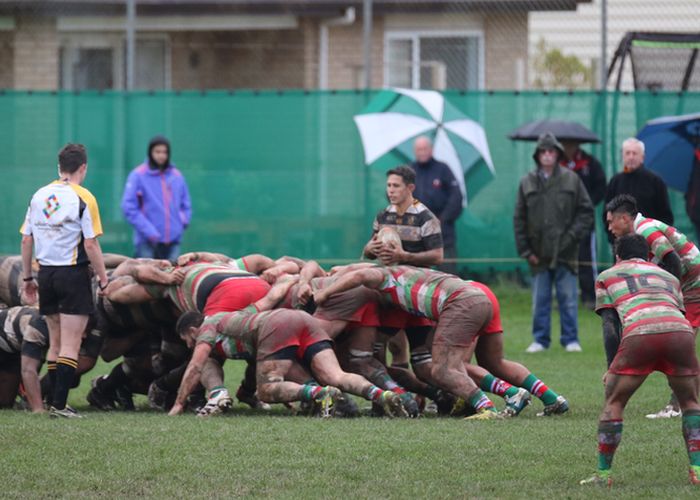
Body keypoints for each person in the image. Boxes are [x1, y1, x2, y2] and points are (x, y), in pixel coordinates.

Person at [580, 233, 700, 487]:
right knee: (690, 402)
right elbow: (674, 312)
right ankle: (697, 471)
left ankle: (603, 476)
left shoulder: (607, 276)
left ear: (617, 255)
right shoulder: (668, 276)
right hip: (680, 332)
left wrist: (611, 366)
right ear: (648, 255)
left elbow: (611, 326)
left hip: (640, 334)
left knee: (614, 402)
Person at [20, 143, 109, 418]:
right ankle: (59, 406)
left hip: (45, 274)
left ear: (59, 167)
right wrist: (105, 279)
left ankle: (53, 402)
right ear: (83, 167)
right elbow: (91, 245)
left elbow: (26, 239)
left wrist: (27, 278)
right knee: (71, 344)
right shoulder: (84, 197)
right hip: (72, 274)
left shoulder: (39, 195)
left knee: (55, 343)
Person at [605, 193, 700, 418]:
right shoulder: (632, 241)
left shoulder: (645, 229)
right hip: (687, 285)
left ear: (625, 219)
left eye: (611, 221)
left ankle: (679, 405)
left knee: (681, 344)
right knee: (680, 344)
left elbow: (673, 260)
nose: (609, 227)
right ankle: (681, 403)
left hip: (694, 284)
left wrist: (672, 300)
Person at [513, 133, 594, 353]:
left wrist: (572, 237)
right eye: (543, 151)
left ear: (557, 154)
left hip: (566, 251)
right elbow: (519, 217)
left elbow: (586, 212)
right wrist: (525, 250)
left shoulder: (572, 179)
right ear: (537, 155)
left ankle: (570, 339)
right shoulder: (527, 181)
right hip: (537, 253)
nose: (547, 155)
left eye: (551, 151)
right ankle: (540, 340)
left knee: (568, 297)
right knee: (540, 299)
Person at [121, 136, 192, 260]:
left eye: (164, 152)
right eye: (157, 152)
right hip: (147, 243)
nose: (161, 155)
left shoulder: (176, 175)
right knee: (146, 279)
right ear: (150, 152)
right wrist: (149, 230)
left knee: (173, 277)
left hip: (173, 242)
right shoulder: (138, 175)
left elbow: (186, 203)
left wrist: (182, 221)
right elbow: (129, 207)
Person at [363, 165, 443, 267]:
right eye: (389, 185)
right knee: (337, 270)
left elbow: (437, 257)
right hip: (387, 272)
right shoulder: (382, 216)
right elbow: (370, 255)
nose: (390, 191)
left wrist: (405, 256)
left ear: (410, 188)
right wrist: (368, 249)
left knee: (359, 276)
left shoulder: (426, 218)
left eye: (396, 186)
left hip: (416, 276)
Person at [561, 140, 607, 308]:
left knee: (587, 257)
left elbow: (601, 187)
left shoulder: (590, 163)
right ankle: (565, 297)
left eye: (571, 144)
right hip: (563, 221)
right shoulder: (558, 163)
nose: (568, 147)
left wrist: (587, 203)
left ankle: (590, 296)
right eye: (565, 144)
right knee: (564, 259)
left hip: (585, 220)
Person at [603, 137, 673, 244]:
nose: (631, 157)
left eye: (634, 153)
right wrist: (614, 239)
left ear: (642, 157)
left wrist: (656, 239)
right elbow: (607, 214)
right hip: (622, 244)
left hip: (650, 244)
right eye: (628, 153)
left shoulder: (655, 181)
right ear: (622, 156)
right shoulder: (615, 181)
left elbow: (665, 215)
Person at [411, 136, 463, 275]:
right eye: (419, 149)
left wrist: (442, 219)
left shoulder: (443, 169)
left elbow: (457, 197)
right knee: (415, 280)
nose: (422, 152)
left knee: (448, 278)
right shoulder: (409, 171)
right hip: (416, 235)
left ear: (431, 150)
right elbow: (397, 194)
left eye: (425, 148)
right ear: (414, 151)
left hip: (443, 235)